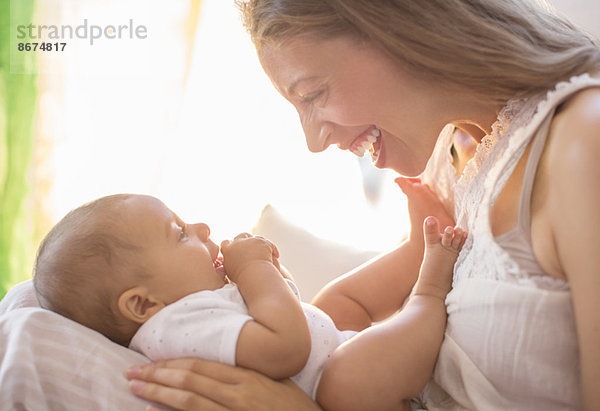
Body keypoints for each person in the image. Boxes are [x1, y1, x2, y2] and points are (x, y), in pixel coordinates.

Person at [124, 0, 600, 409]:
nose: (314, 141)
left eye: (313, 94)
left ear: (403, 29)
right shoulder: (451, 159)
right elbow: (347, 322)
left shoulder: (583, 144)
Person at [33, 191, 465, 409]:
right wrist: (254, 271)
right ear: (143, 305)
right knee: (344, 381)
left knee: (333, 301)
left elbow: (288, 315)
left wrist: (276, 278)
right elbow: (285, 349)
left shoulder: (194, 308)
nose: (202, 228)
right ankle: (429, 292)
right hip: (339, 397)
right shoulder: (174, 328)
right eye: (180, 233)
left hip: (335, 351)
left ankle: (413, 251)